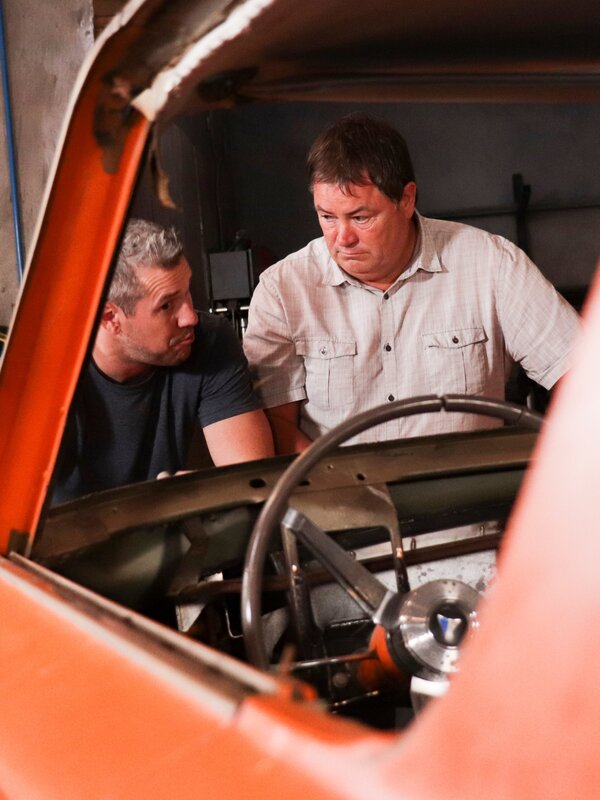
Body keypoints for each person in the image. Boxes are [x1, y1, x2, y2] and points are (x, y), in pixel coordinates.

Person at [243, 113, 580, 454]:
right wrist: (337, 485)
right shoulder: (283, 290)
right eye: (328, 217)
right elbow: (277, 427)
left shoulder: (491, 263)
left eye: (360, 217)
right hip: (336, 486)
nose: (342, 238)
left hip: (465, 483)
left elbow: (582, 375)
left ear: (406, 200)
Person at [54, 218, 274, 503]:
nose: (190, 317)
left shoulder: (208, 341)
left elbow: (252, 483)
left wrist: (205, 493)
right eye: (167, 305)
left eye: (187, 291)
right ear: (110, 318)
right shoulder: (48, 373)